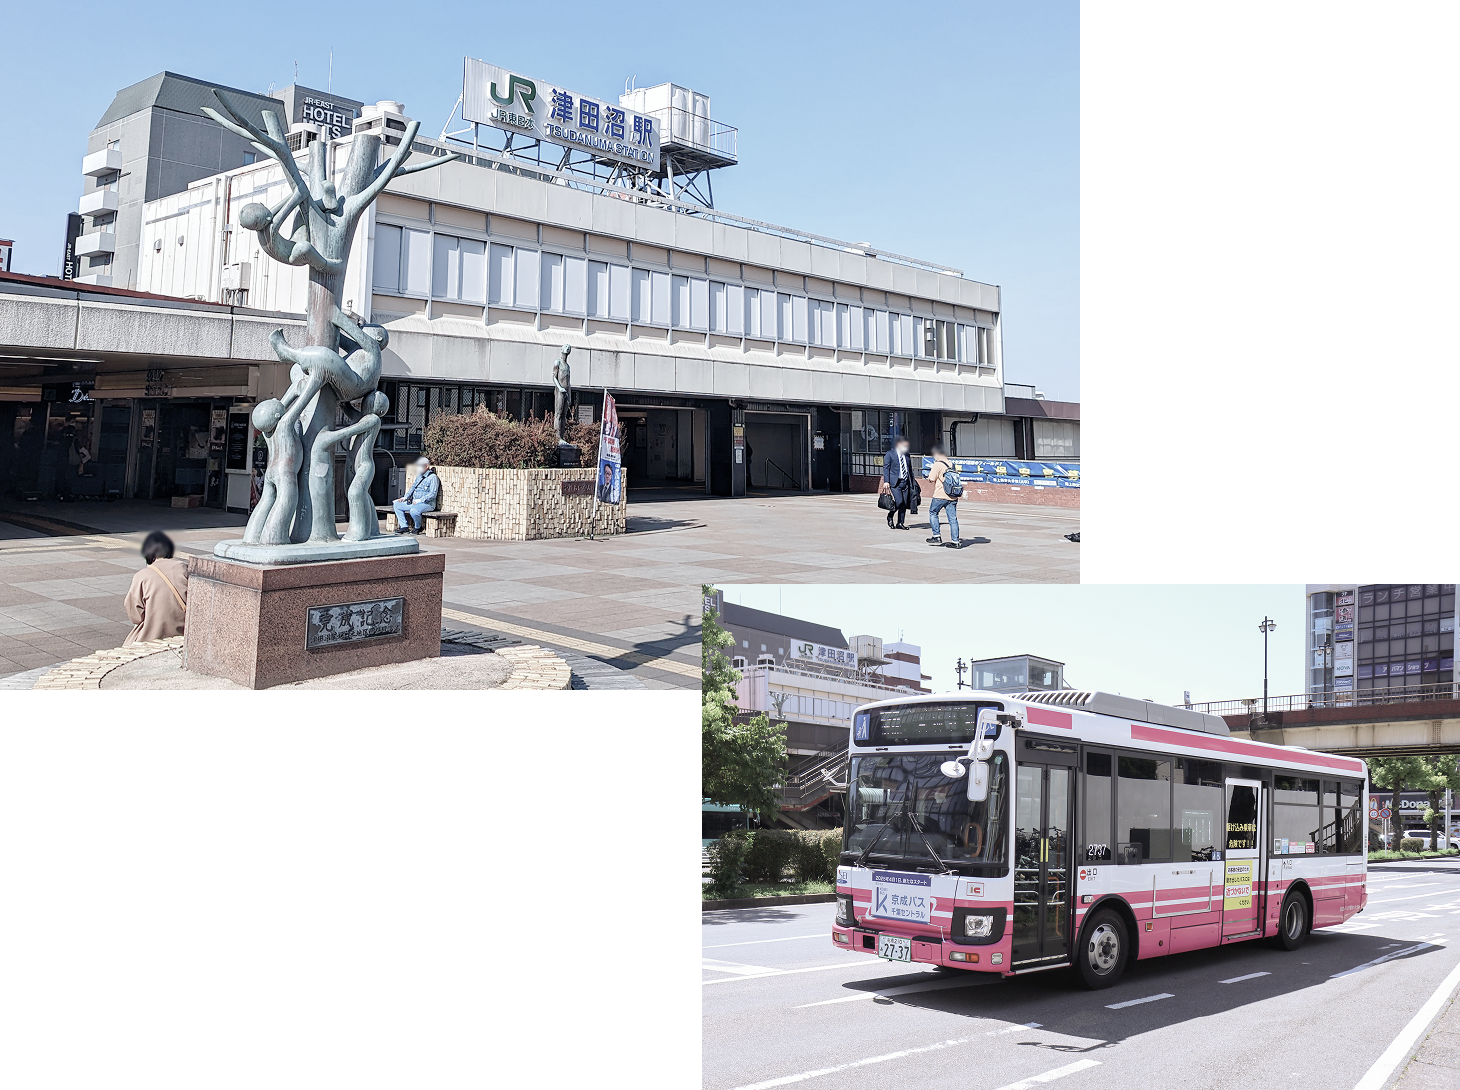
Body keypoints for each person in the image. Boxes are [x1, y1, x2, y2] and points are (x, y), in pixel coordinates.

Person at [123, 531, 188, 645]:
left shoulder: (142, 576)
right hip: (184, 633)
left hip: (152, 636)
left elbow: (135, 616)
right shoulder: (185, 569)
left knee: (129, 645)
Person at [925, 443, 962, 549]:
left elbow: (931, 478)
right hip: (952, 495)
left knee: (933, 513)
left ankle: (936, 536)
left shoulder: (938, 464)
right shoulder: (951, 464)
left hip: (940, 495)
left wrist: (929, 477)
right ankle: (955, 541)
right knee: (953, 519)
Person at [880, 435, 918, 530]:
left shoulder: (907, 455)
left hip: (905, 482)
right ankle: (890, 515)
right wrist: (886, 481)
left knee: (904, 503)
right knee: (899, 501)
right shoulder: (890, 454)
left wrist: (912, 482)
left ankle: (900, 523)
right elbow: (886, 468)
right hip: (895, 482)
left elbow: (910, 469)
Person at [392, 457, 439, 534]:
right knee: (397, 505)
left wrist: (420, 500)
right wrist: (405, 497)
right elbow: (413, 488)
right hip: (414, 502)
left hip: (427, 503)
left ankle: (418, 527)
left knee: (414, 511)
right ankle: (404, 526)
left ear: (426, 466)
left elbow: (433, 494)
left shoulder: (433, 478)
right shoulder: (419, 476)